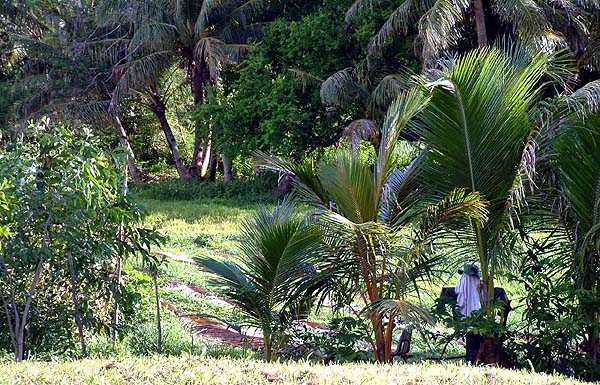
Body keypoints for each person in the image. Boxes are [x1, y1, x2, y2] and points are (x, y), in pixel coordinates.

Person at [455, 263, 483, 364]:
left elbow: (460, 298)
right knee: (474, 337)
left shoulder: (464, 281)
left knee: (471, 337)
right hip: (478, 312)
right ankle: (473, 358)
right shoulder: (479, 283)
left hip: (469, 313)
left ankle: (471, 359)